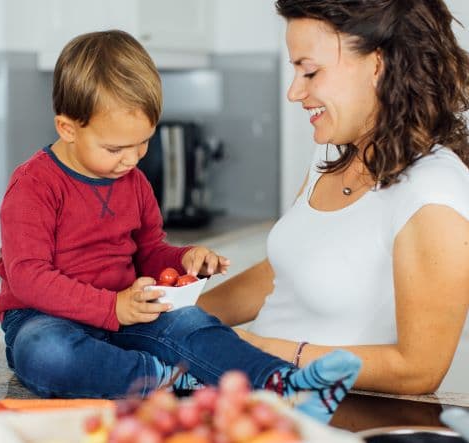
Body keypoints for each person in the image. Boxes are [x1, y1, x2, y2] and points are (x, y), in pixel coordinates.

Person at [0, 29, 361, 422]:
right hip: (45, 317)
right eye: (115, 149)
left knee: (193, 322)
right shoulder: (34, 185)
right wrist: (110, 306)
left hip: (126, 311)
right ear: (67, 128)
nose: (131, 160)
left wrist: (185, 259)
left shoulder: (131, 181)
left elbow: (149, 252)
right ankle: (168, 379)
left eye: (143, 143)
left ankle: (286, 385)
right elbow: (29, 277)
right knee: (45, 352)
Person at [198, 0, 469, 395]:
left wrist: (257, 351)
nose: (294, 92)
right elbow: (289, 271)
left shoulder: (433, 192)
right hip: (263, 408)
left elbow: (418, 369)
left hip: (338, 421)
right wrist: (185, 318)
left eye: (310, 71)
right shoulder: (330, 155)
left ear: (378, 66)